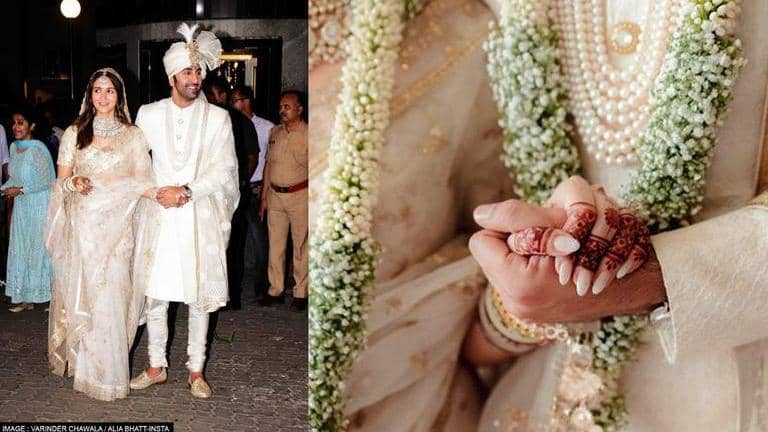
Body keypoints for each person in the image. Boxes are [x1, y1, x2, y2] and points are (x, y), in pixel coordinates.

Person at [308, 0, 768, 430]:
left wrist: (649, 278)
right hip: (539, 391)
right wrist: (530, 264)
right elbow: (487, 296)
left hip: (733, 384)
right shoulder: (485, 14)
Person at [129, 23, 239, 398]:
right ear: (172, 77)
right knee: (155, 294)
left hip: (198, 216)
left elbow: (224, 169)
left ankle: (196, 370)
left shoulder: (219, 118)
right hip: (158, 215)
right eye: (188, 72)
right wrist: (154, 192)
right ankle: (156, 365)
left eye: (199, 72)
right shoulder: (148, 114)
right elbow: (134, 164)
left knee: (197, 296)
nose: (195, 79)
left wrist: (188, 191)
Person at [45, 68, 154, 401]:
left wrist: (165, 194)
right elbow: (61, 181)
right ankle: (89, 374)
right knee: (88, 299)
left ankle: (111, 377)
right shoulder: (74, 133)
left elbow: (143, 181)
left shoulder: (133, 135)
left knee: (114, 297)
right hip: (85, 231)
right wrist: (73, 182)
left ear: (119, 95)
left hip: (119, 231)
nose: (103, 97)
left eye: (109, 90)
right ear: (89, 95)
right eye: (97, 90)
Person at [203, 76, 259, 310]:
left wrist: (241, 182)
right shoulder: (203, 119)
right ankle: (210, 292)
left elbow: (252, 156)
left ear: (223, 95)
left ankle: (232, 294)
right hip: (207, 191)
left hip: (233, 192)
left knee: (233, 244)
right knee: (209, 244)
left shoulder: (239, 121)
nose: (208, 99)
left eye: (212, 95)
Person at [1, 106, 54, 312]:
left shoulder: (38, 149)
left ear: (32, 126)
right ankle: (25, 297)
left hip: (40, 205)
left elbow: (46, 181)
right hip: (22, 207)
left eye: (21, 122)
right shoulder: (14, 147)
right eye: (14, 123)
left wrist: (20, 190)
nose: (16, 127)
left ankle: (49, 296)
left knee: (39, 250)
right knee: (21, 249)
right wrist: (4, 189)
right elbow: (14, 177)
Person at [259, 90, 307, 311]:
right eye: (280, 106)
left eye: (287, 107)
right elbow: (268, 165)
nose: (282, 110)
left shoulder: (310, 135)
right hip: (275, 197)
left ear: (300, 109)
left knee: (301, 246)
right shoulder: (275, 132)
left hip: (300, 196)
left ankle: (301, 292)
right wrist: (264, 198)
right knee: (276, 245)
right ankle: (275, 289)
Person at [232, 85, 273, 301]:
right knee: (235, 239)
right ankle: (234, 287)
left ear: (246, 101)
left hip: (257, 187)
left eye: (235, 100)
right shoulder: (231, 124)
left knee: (260, 239)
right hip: (237, 187)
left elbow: (268, 160)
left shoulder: (267, 127)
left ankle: (262, 286)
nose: (232, 104)